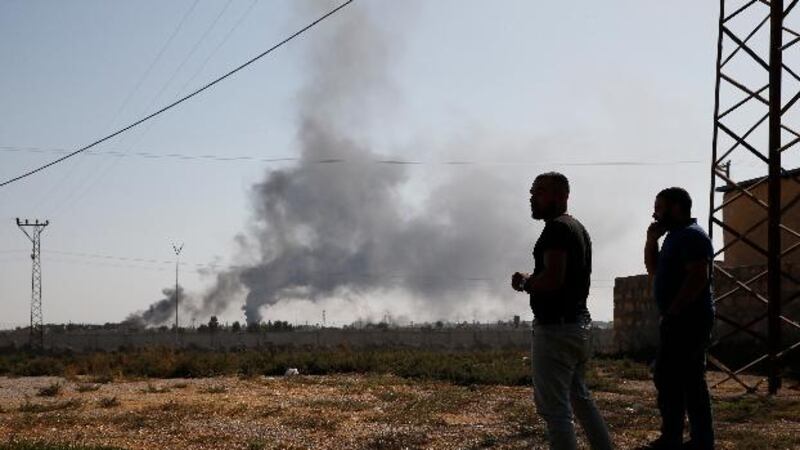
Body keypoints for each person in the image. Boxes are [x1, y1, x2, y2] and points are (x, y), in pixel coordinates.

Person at [511, 172, 614, 450]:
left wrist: (525, 282)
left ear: (561, 195)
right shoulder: (577, 228)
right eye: (532, 192)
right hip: (577, 325)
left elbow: (553, 279)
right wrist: (533, 276)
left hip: (556, 330)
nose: (533, 197)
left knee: (555, 411)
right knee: (579, 398)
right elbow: (561, 275)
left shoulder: (556, 229)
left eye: (540, 192)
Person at [640, 187, 715, 450]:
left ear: (676, 208)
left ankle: (677, 438)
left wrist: (674, 311)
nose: (654, 213)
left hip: (688, 319)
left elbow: (697, 276)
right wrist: (652, 240)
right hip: (680, 318)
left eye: (659, 208)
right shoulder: (674, 236)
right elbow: (654, 270)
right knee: (684, 379)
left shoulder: (691, 236)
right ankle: (695, 439)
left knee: (672, 377)